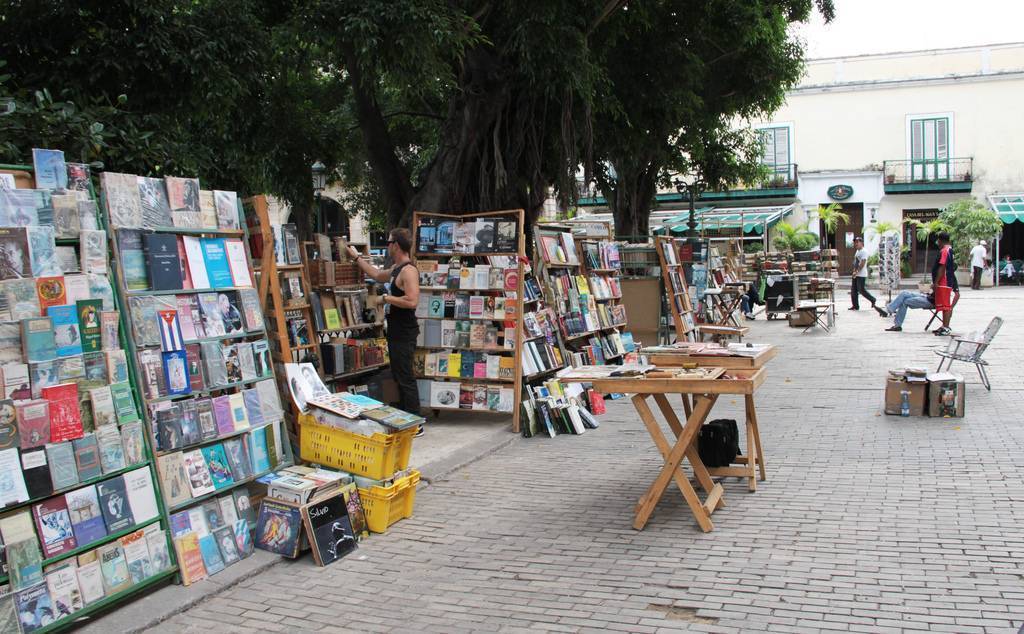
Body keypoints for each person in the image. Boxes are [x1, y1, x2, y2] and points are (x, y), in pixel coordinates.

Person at [349, 229, 423, 434]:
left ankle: (416, 424)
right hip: (396, 331)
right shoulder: (395, 269)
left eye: (389, 242)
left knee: (405, 375)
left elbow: (412, 300)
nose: (387, 245)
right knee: (399, 374)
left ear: (396, 245)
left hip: (405, 331)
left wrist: (386, 299)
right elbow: (375, 274)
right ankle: (407, 419)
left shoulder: (408, 271)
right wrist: (356, 256)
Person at [932, 231, 959, 335]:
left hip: (944, 281)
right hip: (947, 281)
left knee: (945, 306)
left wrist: (936, 282)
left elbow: (942, 267)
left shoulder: (944, 251)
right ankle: (944, 326)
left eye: (938, 240)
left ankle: (946, 327)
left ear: (940, 240)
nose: (937, 242)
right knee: (944, 306)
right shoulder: (950, 249)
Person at [849, 237, 885, 315]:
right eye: (855, 242)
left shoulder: (864, 251)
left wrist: (857, 271)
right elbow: (856, 261)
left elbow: (862, 263)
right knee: (853, 290)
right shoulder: (858, 251)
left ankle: (873, 299)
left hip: (861, 274)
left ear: (862, 243)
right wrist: (854, 271)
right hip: (856, 273)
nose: (856, 244)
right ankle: (855, 306)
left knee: (861, 290)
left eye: (857, 242)